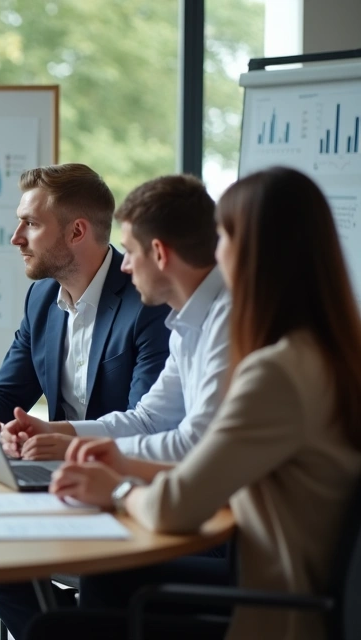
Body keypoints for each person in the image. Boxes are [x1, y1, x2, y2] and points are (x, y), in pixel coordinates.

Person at [32, 167, 361, 640]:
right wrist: (114, 459)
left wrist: (117, 487)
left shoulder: (277, 372)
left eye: (224, 236)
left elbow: (179, 503)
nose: (215, 252)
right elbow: (191, 452)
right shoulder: (320, 351)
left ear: (250, 251)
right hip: (286, 587)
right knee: (107, 581)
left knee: (56, 629)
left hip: (278, 611)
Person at [0, 164, 172, 639]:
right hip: (56, 478)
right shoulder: (41, 298)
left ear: (76, 231)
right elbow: (8, 391)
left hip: (119, 482)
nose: (16, 237)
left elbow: (150, 423)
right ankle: (69, 628)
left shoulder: (147, 301)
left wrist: (61, 439)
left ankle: (70, 627)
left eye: (30, 223)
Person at [0, 174, 231, 463]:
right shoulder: (186, 322)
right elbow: (147, 420)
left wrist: (75, 449)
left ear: (159, 253)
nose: (126, 265)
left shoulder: (229, 319)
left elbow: (197, 444)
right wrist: (53, 432)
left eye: (131, 252)